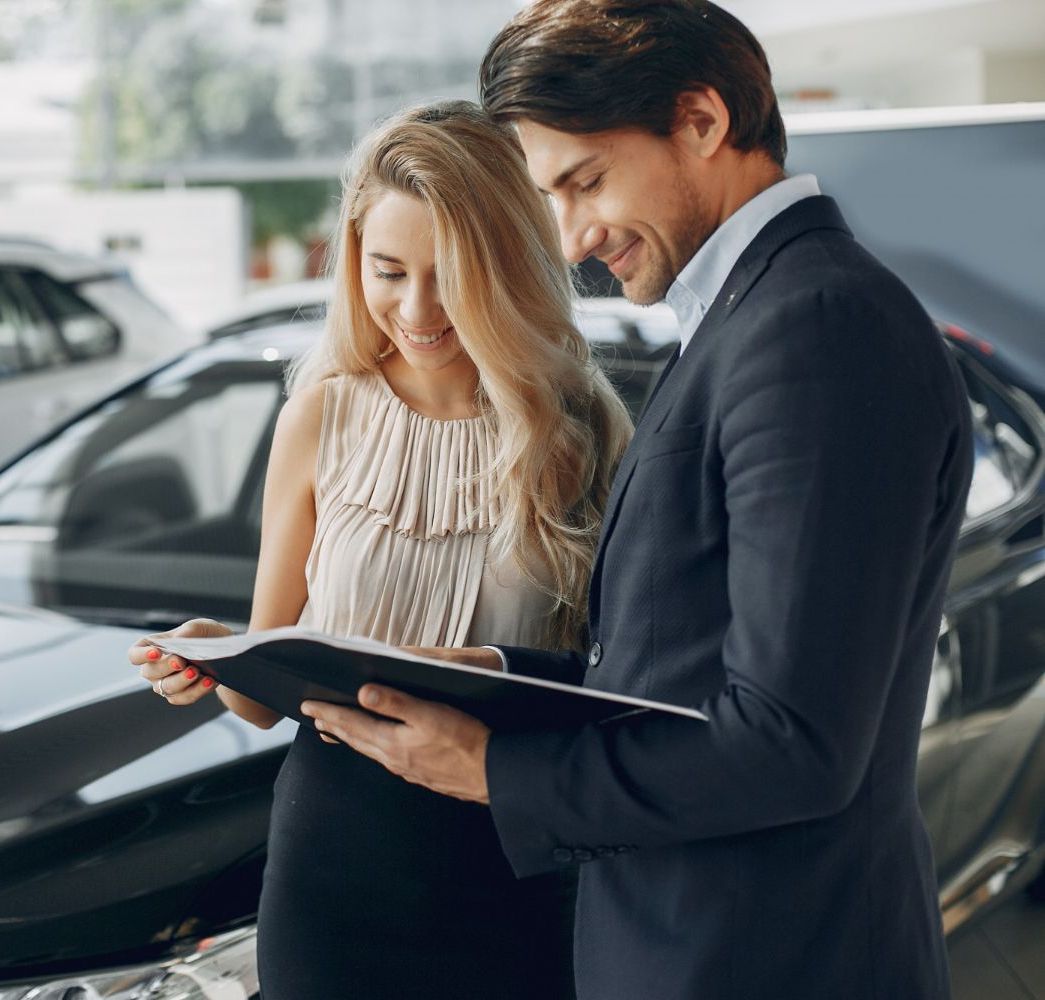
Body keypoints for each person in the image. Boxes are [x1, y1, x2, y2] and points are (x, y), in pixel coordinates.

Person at [300, 4, 975, 999]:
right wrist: (497, 670)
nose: (572, 237)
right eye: (550, 196)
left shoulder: (813, 326)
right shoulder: (758, 312)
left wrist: (497, 772)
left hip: (761, 959)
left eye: (586, 180)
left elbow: (790, 741)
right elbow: (686, 659)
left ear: (701, 121)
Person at [129, 99, 633, 999]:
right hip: (336, 871)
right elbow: (260, 700)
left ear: (510, 265)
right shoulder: (320, 415)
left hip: (511, 863)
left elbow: (620, 682)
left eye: (450, 275)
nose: (416, 309)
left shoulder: (584, 428)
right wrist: (213, 657)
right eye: (388, 270)